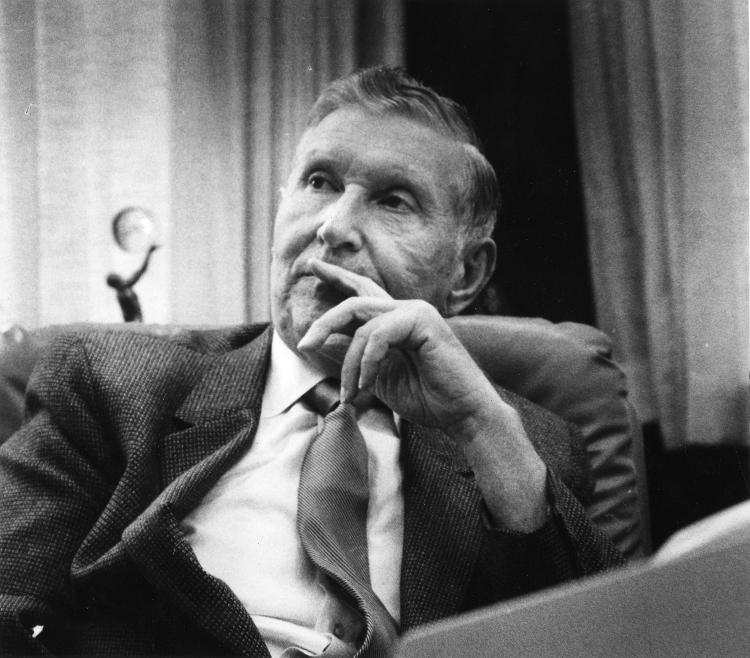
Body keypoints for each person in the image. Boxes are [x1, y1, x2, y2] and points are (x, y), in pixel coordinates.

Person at [0, 67, 622, 656]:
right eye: (319, 182)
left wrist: (482, 427)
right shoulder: (111, 386)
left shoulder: (525, 449)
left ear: (466, 274)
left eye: (394, 201)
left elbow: (604, 641)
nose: (332, 227)